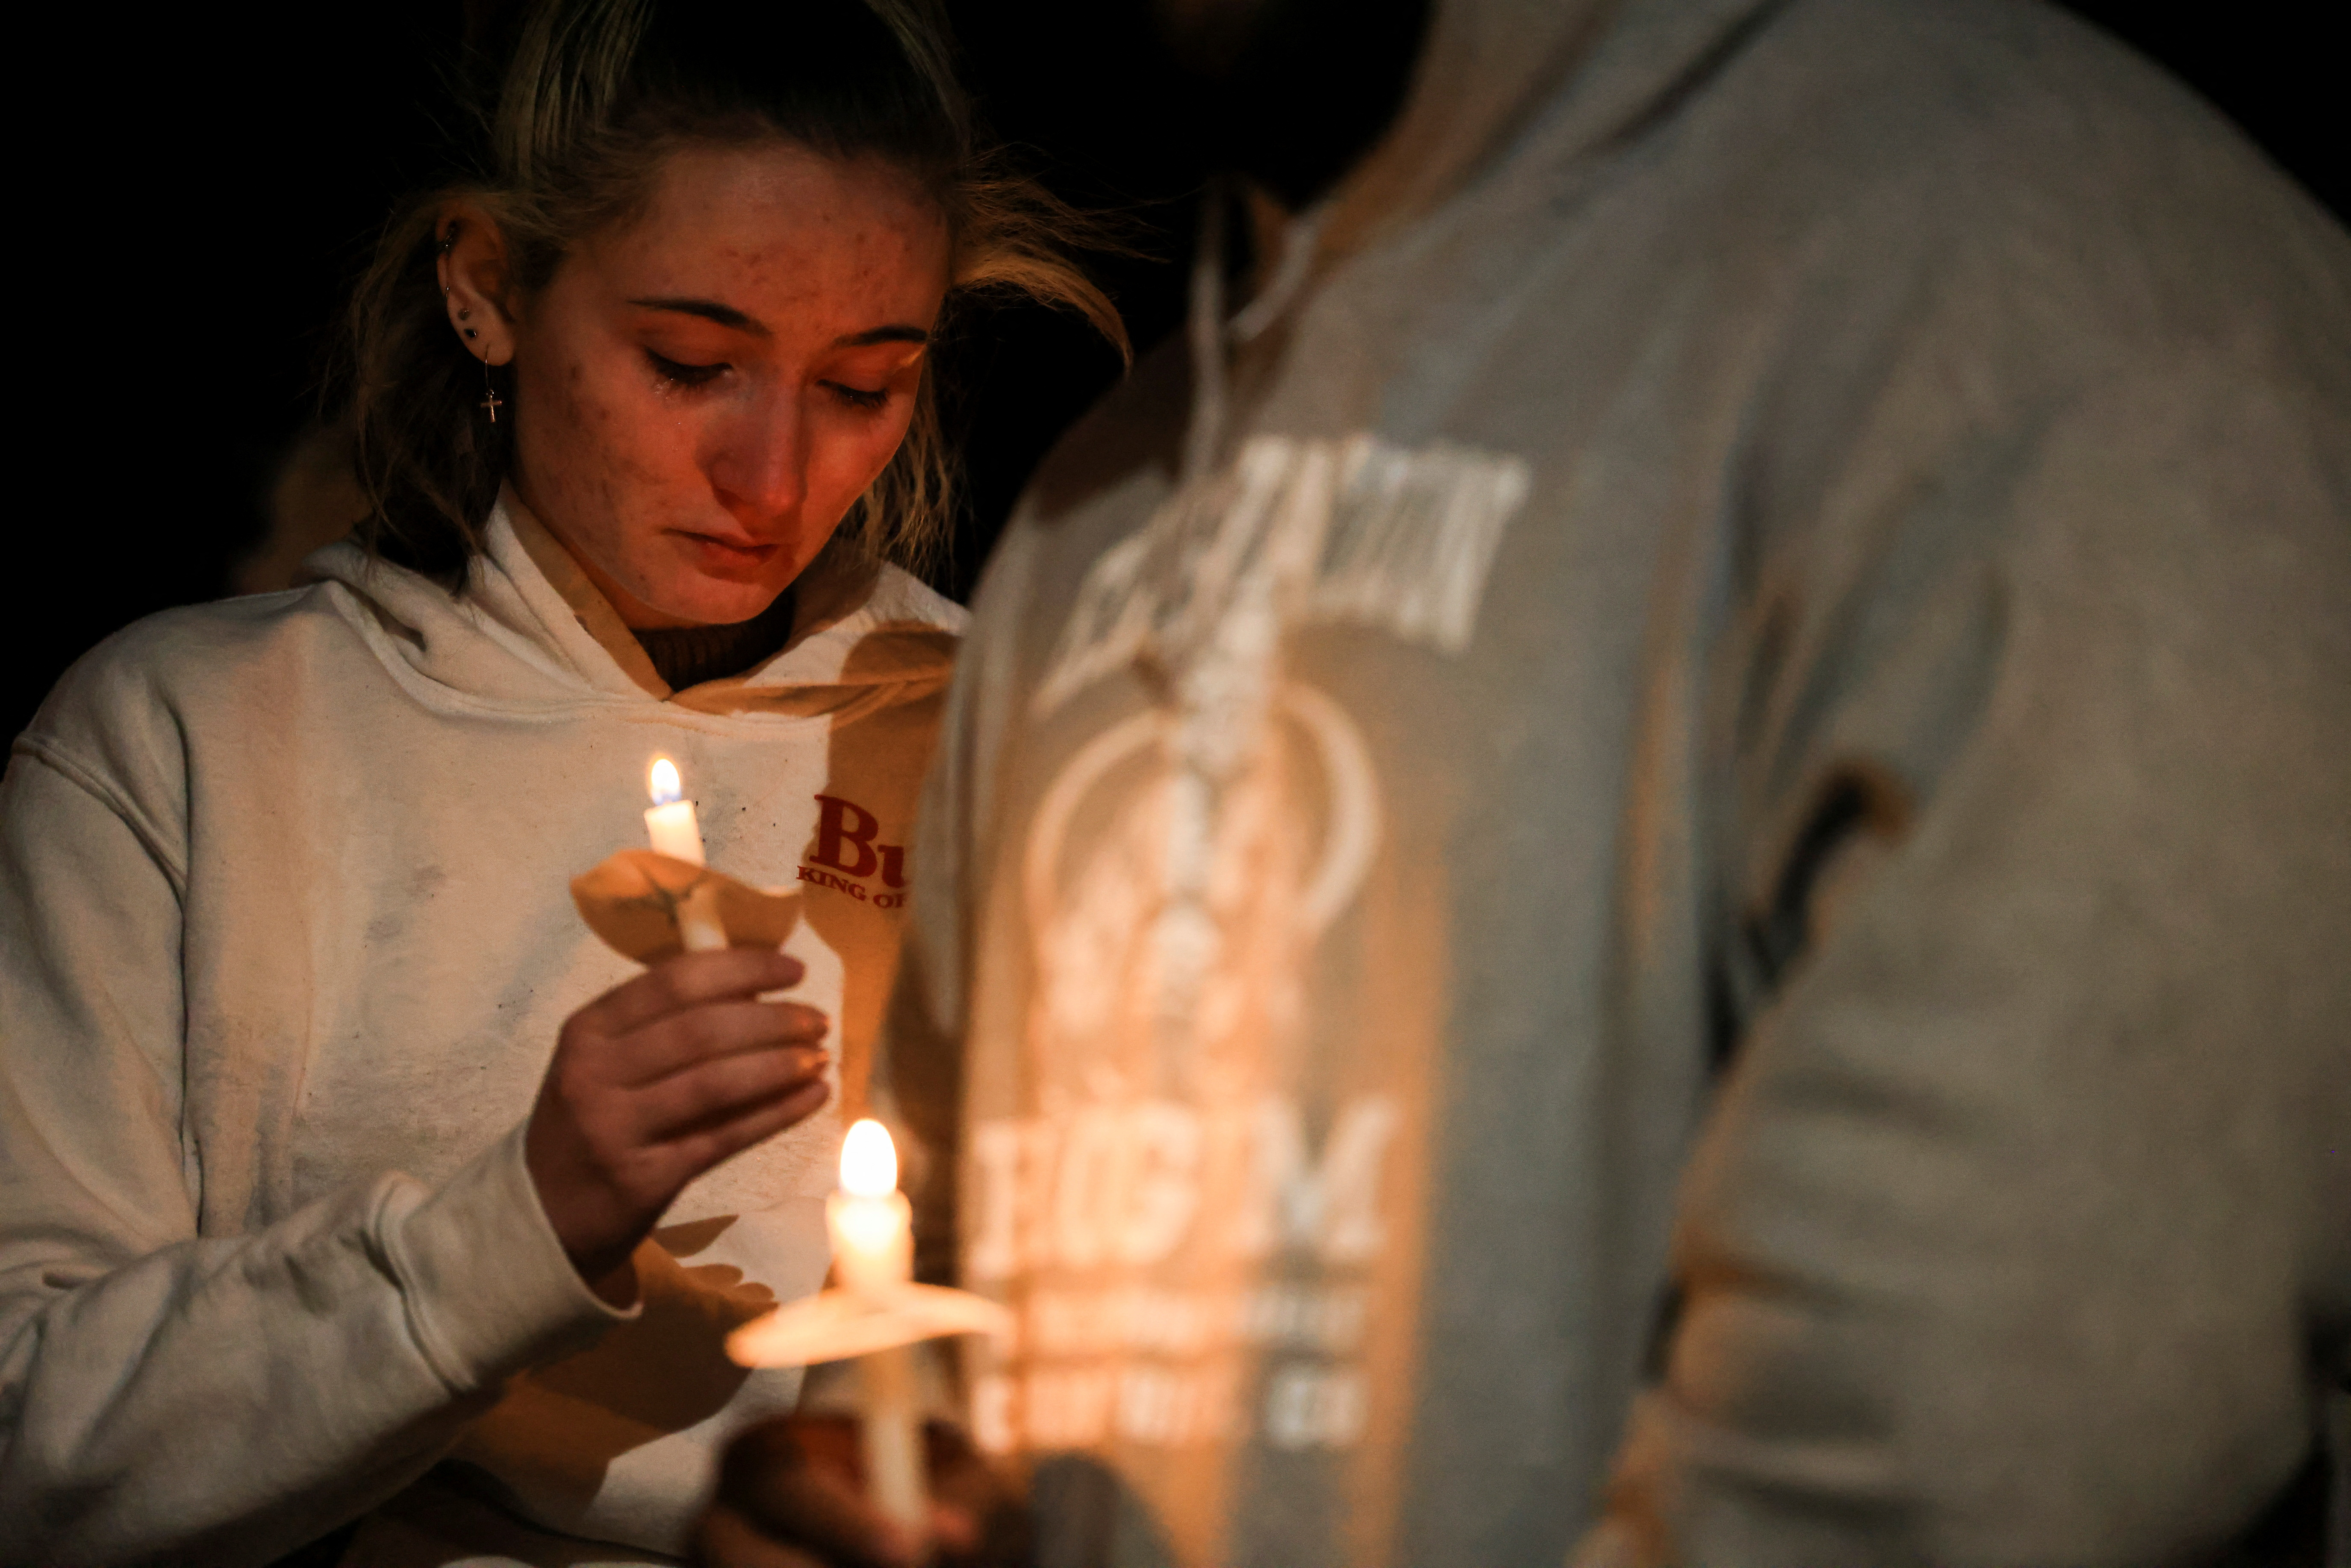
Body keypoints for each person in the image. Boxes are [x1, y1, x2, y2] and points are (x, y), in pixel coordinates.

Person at [697, 0, 2351, 1562]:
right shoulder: (1102, 503)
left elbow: (1962, 1466)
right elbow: (953, 1288)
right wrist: (882, 1479)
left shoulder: (2068, 312)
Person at [0, 1, 1122, 1562]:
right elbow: (32, 1449)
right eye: (691, 363)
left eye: (863, 386)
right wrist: (514, 1224)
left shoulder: (1026, 745)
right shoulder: (197, 739)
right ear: (486, 288)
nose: (776, 477)